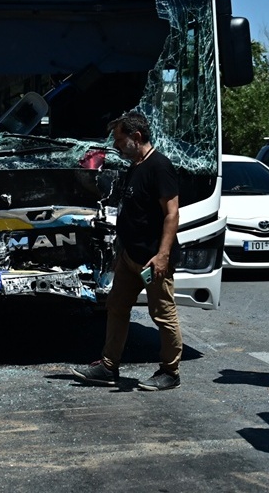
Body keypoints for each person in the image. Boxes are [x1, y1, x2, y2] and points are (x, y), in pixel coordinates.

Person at [71, 110, 183, 391]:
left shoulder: (160, 166)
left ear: (136, 136)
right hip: (130, 259)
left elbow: (172, 214)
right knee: (117, 307)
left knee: (163, 314)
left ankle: (170, 371)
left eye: (120, 140)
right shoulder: (136, 166)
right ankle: (108, 366)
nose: (117, 145)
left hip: (152, 261)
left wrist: (163, 255)